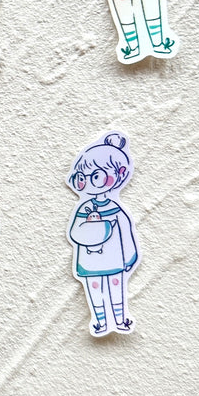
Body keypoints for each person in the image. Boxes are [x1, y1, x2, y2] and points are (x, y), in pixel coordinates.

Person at [67, 132, 139, 336]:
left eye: (96, 176)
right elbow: (75, 233)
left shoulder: (116, 209)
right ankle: (100, 321)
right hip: (90, 262)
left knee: (116, 287)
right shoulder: (84, 209)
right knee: (94, 289)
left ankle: (120, 319)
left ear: (120, 174)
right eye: (82, 177)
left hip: (115, 260)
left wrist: (130, 258)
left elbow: (126, 233)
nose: (88, 182)